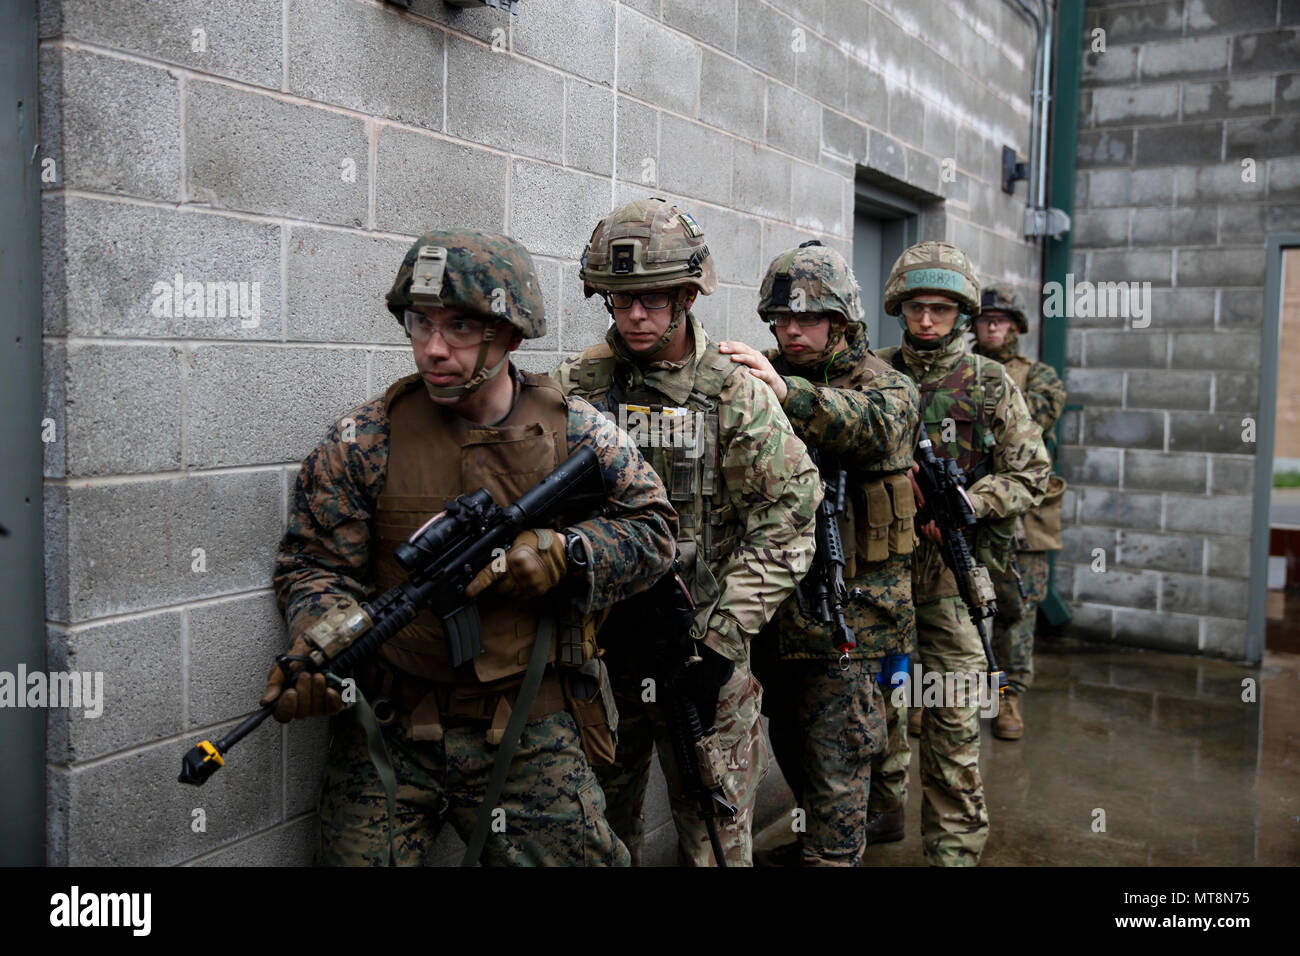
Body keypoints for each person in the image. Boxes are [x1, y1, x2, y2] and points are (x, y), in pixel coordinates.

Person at [265, 229, 678, 866]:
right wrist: (321, 636)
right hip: (390, 724)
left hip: (530, 722)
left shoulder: (575, 431)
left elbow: (653, 529)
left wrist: (567, 552)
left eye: (459, 326)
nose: (433, 348)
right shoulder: (363, 440)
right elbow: (313, 562)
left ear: (511, 334)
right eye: (420, 322)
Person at [555, 197, 820, 866]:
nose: (634, 315)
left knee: (716, 837)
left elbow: (789, 521)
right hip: (602, 653)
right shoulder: (577, 388)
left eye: (651, 298)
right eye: (619, 300)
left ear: (686, 294)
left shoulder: (733, 394)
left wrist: (724, 641)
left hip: (701, 653)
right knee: (594, 836)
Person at [718, 240, 919, 867]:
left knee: (842, 752)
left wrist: (787, 392)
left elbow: (873, 428)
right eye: (781, 319)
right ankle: (820, 843)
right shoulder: (762, 370)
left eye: (806, 318)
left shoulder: (889, 384)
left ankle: (835, 855)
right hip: (778, 608)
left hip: (851, 614)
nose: (790, 330)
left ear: (842, 321)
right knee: (790, 737)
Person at [873, 240, 1050, 866]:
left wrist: (972, 503)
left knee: (951, 719)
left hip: (953, 574)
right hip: (881, 577)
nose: (927, 321)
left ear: (962, 314)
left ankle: (953, 851)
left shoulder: (990, 383)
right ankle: (879, 816)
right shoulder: (875, 373)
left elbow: (1032, 471)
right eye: (917, 308)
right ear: (900, 307)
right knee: (882, 711)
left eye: (942, 310)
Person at [971, 282, 1067, 740]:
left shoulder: (1040, 376)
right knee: (947, 603)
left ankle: (1008, 700)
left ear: (1015, 327)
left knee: (1017, 611)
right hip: (968, 506)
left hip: (1023, 516)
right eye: (986, 318)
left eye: (1002, 319)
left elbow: (1033, 418)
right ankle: (940, 698)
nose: (993, 326)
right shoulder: (958, 368)